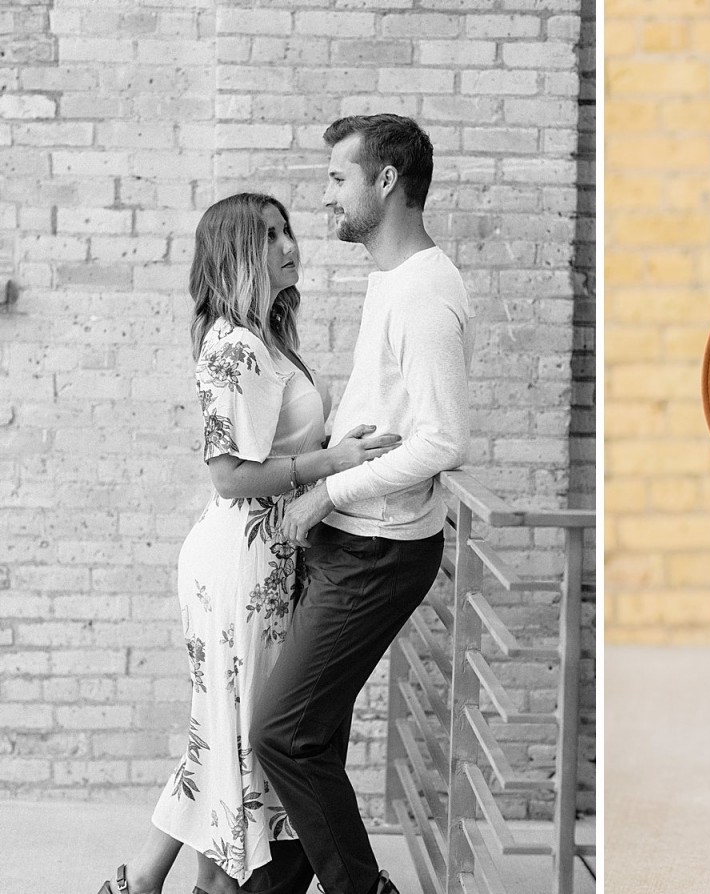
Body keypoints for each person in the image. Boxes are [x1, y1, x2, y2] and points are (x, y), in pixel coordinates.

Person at [97, 193, 401, 894]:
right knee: (239, 739)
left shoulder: (262, 341)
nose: (290, 243)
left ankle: (143, 883)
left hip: (265, 556)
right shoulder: (235, 346)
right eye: (270, 235)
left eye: (287, 228)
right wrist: (335, 461)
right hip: (242, 560)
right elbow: (230, 475)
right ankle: (208, 886)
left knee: (224, 733)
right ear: (239, 253)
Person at [244, 114, 474, 894]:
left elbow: (442, 442)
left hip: (378, 550)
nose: (324, 196)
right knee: (309, 741)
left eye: (338, 178)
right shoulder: (393, 282)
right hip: (351, 539)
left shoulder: (423, 293)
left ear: (385, 182)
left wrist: (323, 495)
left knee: (281, 735)